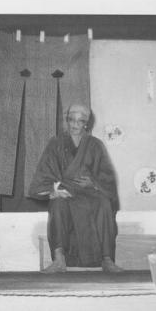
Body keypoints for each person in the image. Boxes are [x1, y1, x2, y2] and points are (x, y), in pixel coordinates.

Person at [29, 104, 123, 273]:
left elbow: (107, 178)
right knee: (57, 205)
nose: (74, 124)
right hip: (66, 192)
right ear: (67, 120)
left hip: (91, 193)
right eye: (71, 120)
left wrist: (93, 182)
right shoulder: (56, 143)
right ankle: (59, 259)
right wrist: (54, 191)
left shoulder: (95, 145)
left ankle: (107, 259)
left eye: (80, 121)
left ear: (87, 124)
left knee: (104, 204)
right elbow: (44, 173)